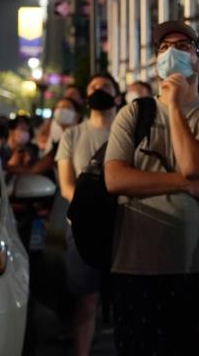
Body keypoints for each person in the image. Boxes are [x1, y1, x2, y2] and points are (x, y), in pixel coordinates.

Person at [104, 20, 199, 355]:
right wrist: (185, 185)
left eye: (182, 46)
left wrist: (174, 106)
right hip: (137, 267)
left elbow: (194, 163)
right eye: (163, 48)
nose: (171, 53)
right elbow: (115, 179)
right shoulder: (134, 114)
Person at [55, 73, 122, 356]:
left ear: (116, 96)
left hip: (126, 227)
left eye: (105, 87)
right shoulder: (73, 134)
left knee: (126, 301)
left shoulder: (127, 131)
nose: (99, 91)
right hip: (84, 228)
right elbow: (66, 186)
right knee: (85, 301)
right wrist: (93, 207)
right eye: (93, 87)